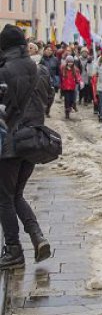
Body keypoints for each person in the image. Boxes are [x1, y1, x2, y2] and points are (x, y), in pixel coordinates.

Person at [0, 24, 53, 269]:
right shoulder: (38, 68)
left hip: (10, 143)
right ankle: (37, 236)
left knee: (4, 198)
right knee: (17, 194)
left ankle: (14, 251)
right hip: (32, 141)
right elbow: (48, 98)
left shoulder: (4, 71)